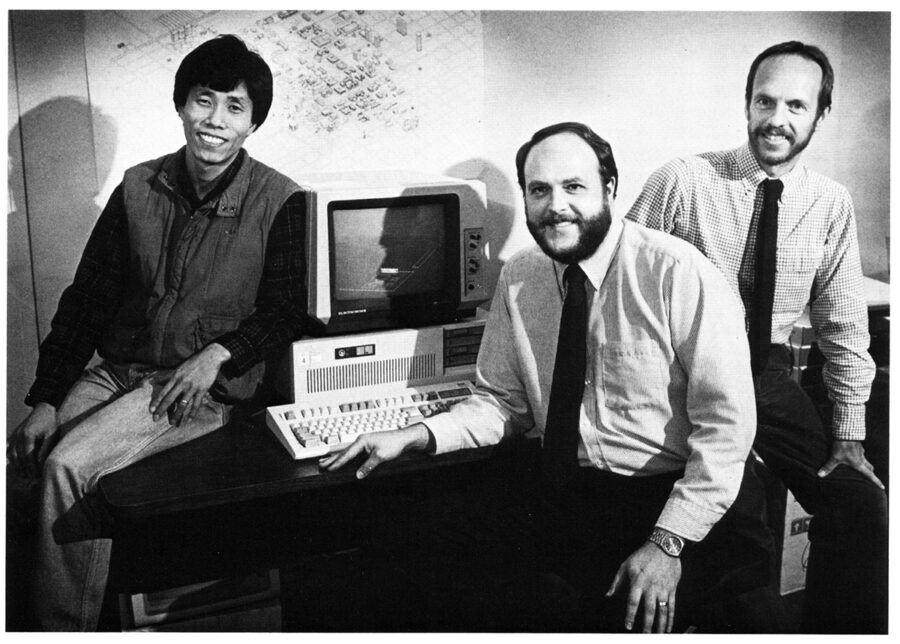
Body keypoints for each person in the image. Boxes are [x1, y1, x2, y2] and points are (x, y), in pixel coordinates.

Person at [321, 122, 763, 633]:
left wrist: (668, 543)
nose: (556, 205)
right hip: (573, 491)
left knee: (563, 609)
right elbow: (501, 402)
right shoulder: (520, 276)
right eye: (540, 190)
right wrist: (416, 434)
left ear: (610, 189)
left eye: (574, 187)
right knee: (402, 541)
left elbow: (726, 429)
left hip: (668, 497)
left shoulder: (675, 271)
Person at [6, 34, 310, 631]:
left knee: (68, 466)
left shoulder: (281, 200)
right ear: (181, 105)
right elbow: (86, 302)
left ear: (253, 124)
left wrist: (218, 356)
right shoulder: (137, 187)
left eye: (234, 107)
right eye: (204, 100)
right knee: (26, 464)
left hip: (196, 392)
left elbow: (286, 313)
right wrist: (45, 398)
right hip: (120, 373)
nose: (214, 121)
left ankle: (62, 632)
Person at [625, 41, 887, 633]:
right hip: (683, 376)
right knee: (744, 533)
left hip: (764, 374)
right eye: (764, 101)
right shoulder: (682, 181)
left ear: (820, 114)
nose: (777, 119)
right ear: (746, 104)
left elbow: (843, 324)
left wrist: (850, 433)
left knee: (863, 507)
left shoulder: (830, 203)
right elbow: (621, 293)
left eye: (796, 105)